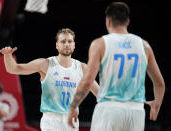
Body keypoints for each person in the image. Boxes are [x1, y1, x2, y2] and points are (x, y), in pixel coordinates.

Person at [68, 2, 165, 131]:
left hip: (109, 109)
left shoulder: (100, 44)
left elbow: (87, 82)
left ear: (108, 21)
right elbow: (159, 83)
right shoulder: (144, 45)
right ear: (128, 22)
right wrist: (156, 104)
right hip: (136, 111)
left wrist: (73, 107)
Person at [0, 28, 99, 131]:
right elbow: (13, 69)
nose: (67, 44)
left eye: (69, 41)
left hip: (72, 120)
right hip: (51, 120)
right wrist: (7, 55)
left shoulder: (82, 68)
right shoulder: (45, 64)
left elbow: (99, 93)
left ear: (74, 45)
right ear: (57, 45)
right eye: (63, 41)